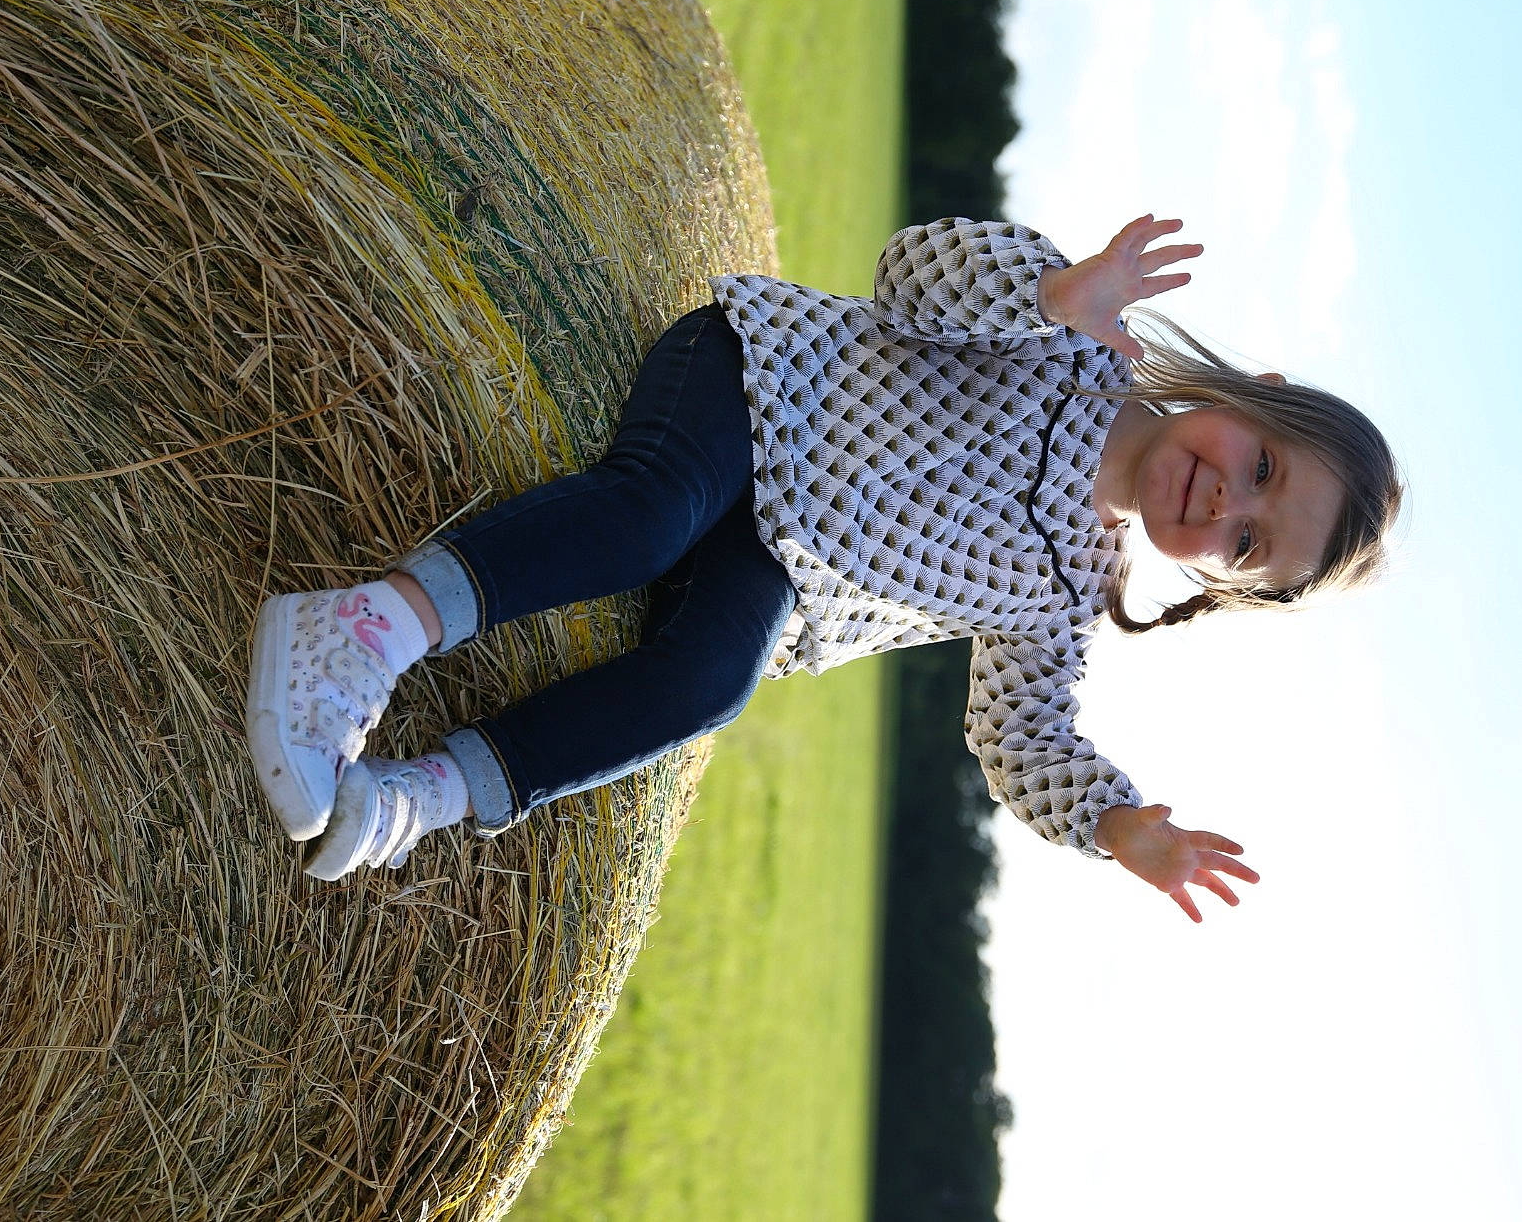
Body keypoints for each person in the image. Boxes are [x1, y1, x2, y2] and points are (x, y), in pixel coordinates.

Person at [245, 214, 1403, 921]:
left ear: (1218, 584)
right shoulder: (1075, 332)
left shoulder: (1062, 601)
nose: (1223, 501)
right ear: (1250, 401)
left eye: (1245, 543)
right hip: (751, 386)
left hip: (775, 563)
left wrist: (1115, 828)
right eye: (1258, 466)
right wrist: (1056, 290)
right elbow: (908, 274)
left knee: (708, 684)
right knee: (648, 517)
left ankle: (424, 796)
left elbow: (1021, 740)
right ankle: (364, 631)